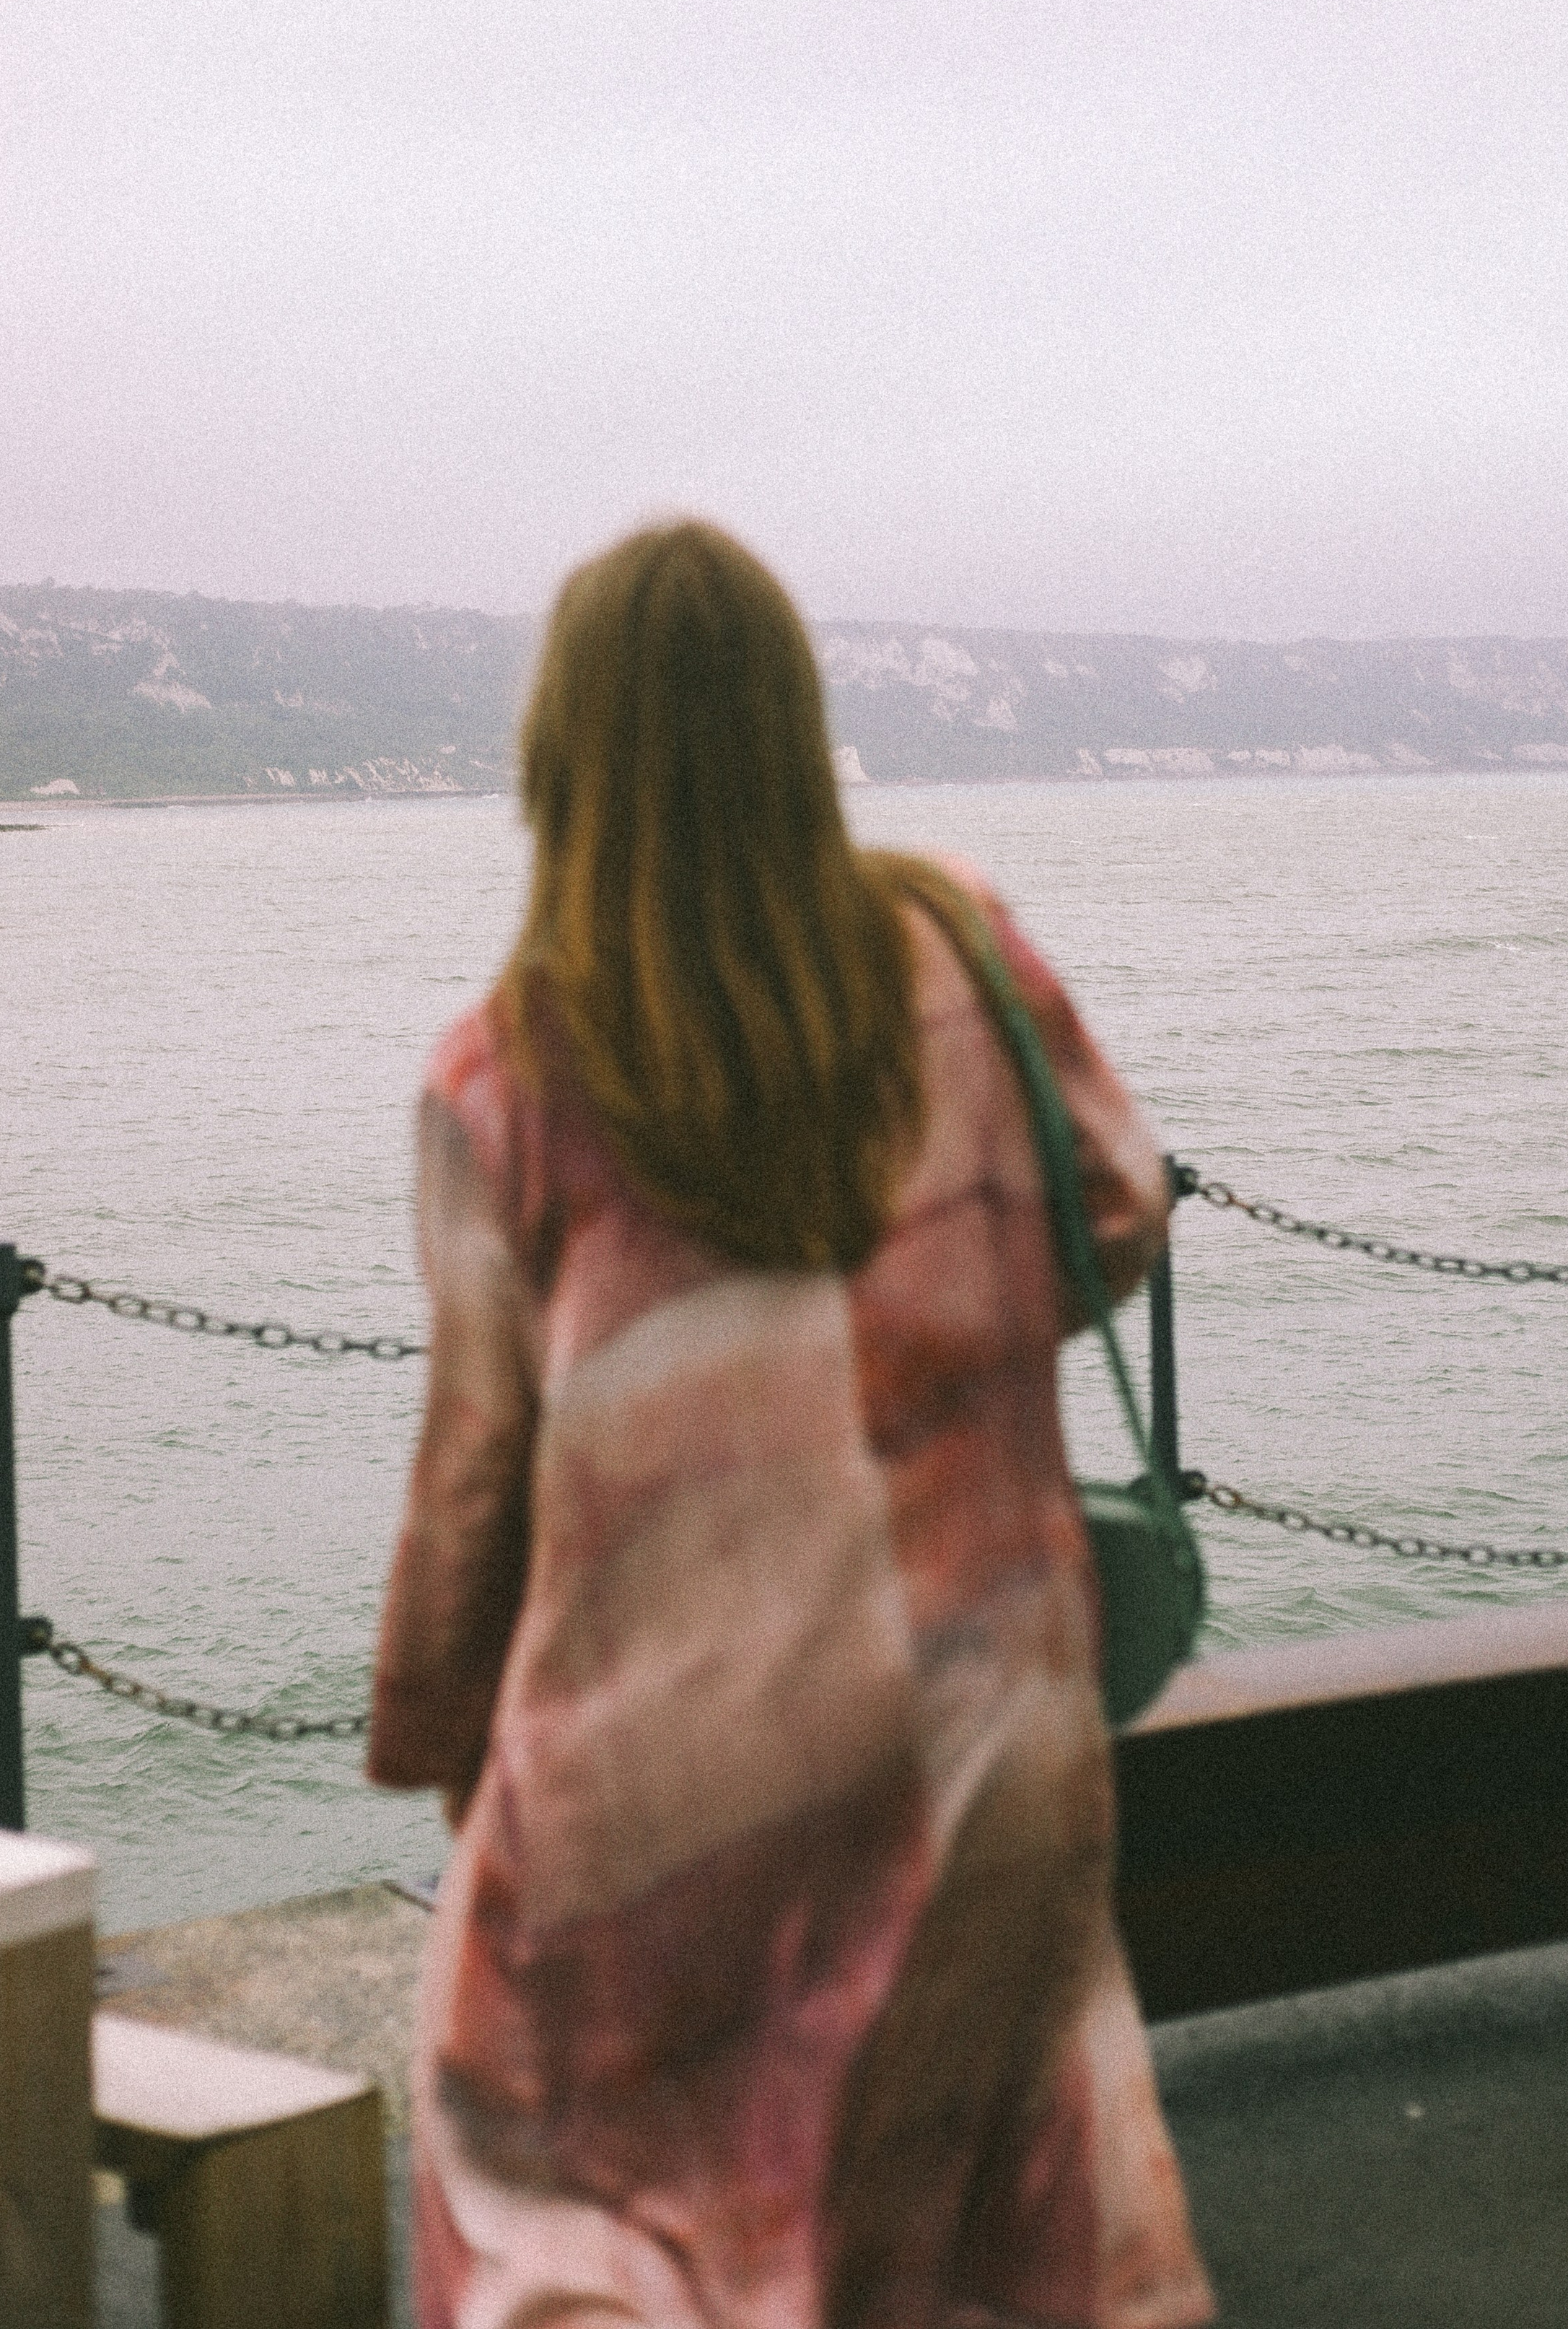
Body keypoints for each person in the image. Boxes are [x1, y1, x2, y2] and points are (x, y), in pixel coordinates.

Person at [369, 521, 1214, 2329]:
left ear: (559, 756)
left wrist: (449, 1750)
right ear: (791, 722)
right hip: (976, 1739)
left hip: (658, 1791)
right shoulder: (958, 948)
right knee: (953, 2213)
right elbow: (1118, 1216)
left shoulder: (507, 1071)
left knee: (583, 2213)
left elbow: (470, 1486)